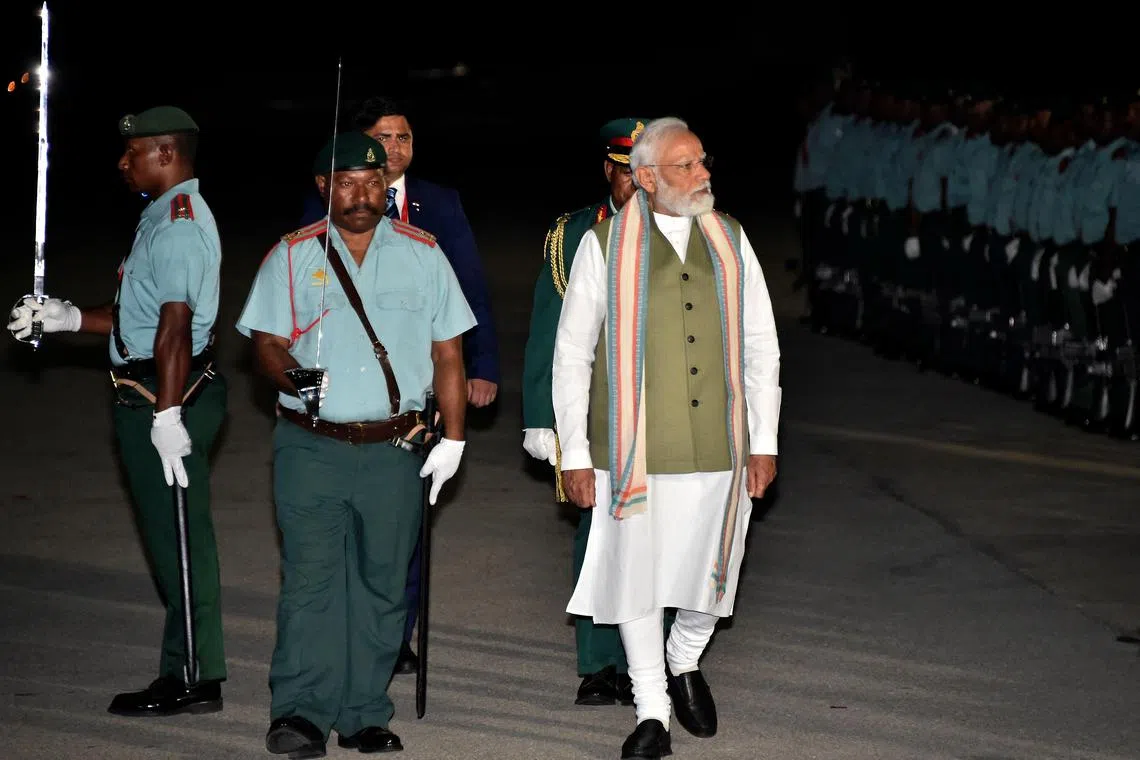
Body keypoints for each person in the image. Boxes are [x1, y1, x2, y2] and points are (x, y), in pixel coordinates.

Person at [236, 131, 474, 757]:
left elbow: (449, 352)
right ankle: (301, 712)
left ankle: (366, 711)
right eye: (347, 183)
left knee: (381, 582)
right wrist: (289, 374)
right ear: (323, 188)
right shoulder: (290, 256)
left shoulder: (424, 254)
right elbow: (263, 342)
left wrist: (453, 438)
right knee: (312, 583)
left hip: (395, 450)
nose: (362, 195)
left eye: (373, 183)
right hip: (311, 445)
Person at [552, 117, 781, 759]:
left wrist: (764, 439)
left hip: (722, 442)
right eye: (686, 166)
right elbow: (572, 355)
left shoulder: (731, 238)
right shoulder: (602, 245)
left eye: (703, 161)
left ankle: (684, 657)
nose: (703, 174)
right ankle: (652, 712)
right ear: (647, 178)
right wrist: (574, 452)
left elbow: (761, 344)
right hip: (633, 451)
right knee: (639, 579)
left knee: (715, 572)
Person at [7, 105, 228, 717]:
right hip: (152, 391)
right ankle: (193, 667)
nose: (122, 162)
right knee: (169, 539)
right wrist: (70, 317)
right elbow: (138, 314)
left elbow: (175, 328)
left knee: (180, 540)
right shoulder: (159, 216)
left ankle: (193, 678)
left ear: (167, 153)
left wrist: (167, 413)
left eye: (133, 152)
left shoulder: (180, 224)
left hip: (164, 397)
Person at [302, 96, 497, 674]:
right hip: (349, 388)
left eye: (404, 137)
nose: (395, 148)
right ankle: (346, 624)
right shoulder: (324, 204)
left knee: (406, 516)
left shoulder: (439, 203)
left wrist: (482, 366)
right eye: (384, 138)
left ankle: (396, 633)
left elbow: (471, 288)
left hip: (424, 383)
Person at [522, 117, 658, 707]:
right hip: (600, 411)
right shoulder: (574, 233)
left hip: (666, 411)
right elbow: (550, 333)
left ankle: (656, 659)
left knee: (669, 533)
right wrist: (540, 415)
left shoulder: (689, 230)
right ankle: (602, 663)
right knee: (599, 529)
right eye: (627, 171)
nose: (638, 183)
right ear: (609, 170)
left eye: (648, 171)